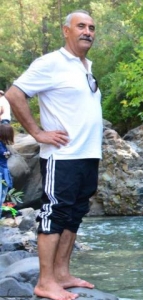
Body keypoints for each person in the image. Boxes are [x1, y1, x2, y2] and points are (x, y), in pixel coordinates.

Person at [5, 10, 101, 300]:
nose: (88, 31)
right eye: (81, 26)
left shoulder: (86, 65)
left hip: (87, 154)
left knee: (75, 212)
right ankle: (45, 282)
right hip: (62, 155)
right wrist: (36, 132)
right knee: (55, 212)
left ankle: (62, 273)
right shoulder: (51, 63)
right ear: (66, 30)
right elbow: (14, 94)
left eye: (92, 27)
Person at [0, 122, 13, 203]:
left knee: (8, 186)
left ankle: (7, 208)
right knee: (5, 188)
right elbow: (4, 153)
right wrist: (7, 153)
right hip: (1, 168)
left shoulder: (2, 143)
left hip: (4, 167)